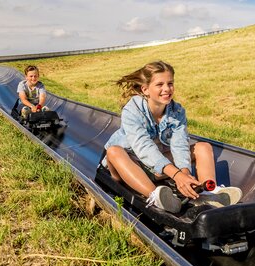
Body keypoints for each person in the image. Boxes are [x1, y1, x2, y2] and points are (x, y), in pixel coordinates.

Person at [102, 60, 242, 213]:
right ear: (145, 89)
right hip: (129, 163)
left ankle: (205, 194)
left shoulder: (177, 111)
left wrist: (185, 175)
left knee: (203, 147)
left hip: (158, 165)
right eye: (159, 84)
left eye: (170, 83)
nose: (167, 89)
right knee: (113, 151)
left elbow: (179, 144)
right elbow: (143, 147)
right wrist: (175, 175)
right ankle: (155, 196)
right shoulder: (132, 110)